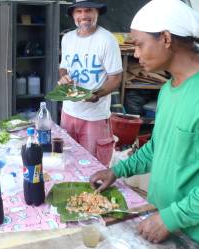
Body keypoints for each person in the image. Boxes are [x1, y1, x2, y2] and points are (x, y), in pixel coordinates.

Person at [89, 0, 199, 244]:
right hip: (161, 218)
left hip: (190, 232)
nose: (135, 54)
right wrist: (117, 171)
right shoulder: (168, 90)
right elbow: (158, 147)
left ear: (166, 39)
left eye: (139, 45)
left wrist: (172, 218)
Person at [58, 0, 122, 166]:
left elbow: (115, 78)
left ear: (97, 13)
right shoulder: (67, 39)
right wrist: (64, 77)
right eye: (78, 11)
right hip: (68, 113)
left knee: (94, 166)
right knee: (67, 161)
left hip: (94, 117)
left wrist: (96, 94)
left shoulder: (107, 40)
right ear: (73, 15)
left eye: (88, 10)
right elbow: (64, 67)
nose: (83, 16)